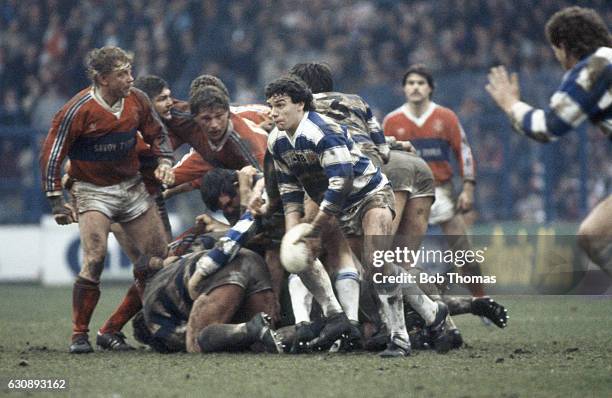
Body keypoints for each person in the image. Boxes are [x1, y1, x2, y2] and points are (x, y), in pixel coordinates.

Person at [264, 76, 450, 357]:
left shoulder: (323, 132)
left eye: (281, 105)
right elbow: (289, 189)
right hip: (338, 207)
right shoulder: (276, 141)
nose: (274, 113)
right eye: (271, 107)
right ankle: (431, 311)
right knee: (364, 264)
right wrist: (293, 231)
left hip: (370, 194)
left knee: (376, 261)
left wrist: (314, 226)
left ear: (300, 104)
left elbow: (342, 182)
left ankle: (399, 338)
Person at [39, 46, 175, 354]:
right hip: (91, 189)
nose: (130, 78)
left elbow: (157, 134)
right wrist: (55, 199)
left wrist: (165, 161)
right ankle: (78, 334)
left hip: (132, 187)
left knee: (160, 260)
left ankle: (114, 329)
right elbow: (52, 153)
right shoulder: (77, 110)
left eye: (130, 71)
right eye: (122, 73)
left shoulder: (137, 100)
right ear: (102, 79)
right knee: (96, 256)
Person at [486, 6, 612, 277]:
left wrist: (510, 104)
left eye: (555, 50)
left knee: (594, 237)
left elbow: (548, 128)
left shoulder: (597, 67)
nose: (557, 58)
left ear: (564, 46)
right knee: (593, 236)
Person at [383, 64, 485, 297]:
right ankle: (402, 307)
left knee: (463, 252)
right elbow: (384, 158)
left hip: (441, 191)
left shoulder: (446, 117)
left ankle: (482, 300)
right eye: (410, 83)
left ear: (430, 88)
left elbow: (465, 152)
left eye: (420, 83)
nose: (415, 88)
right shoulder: (392, 120)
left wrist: (468, 188)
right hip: (407, 195)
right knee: (400, 257)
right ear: (404, 89)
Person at [133, 249, 283, 354]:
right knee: (264, 343)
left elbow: (185, 339)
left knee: (196, 343)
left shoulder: (154, 320)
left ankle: (252, 329)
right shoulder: (175, 260)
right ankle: (301, 333)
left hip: (223, 274)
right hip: (250, 257)